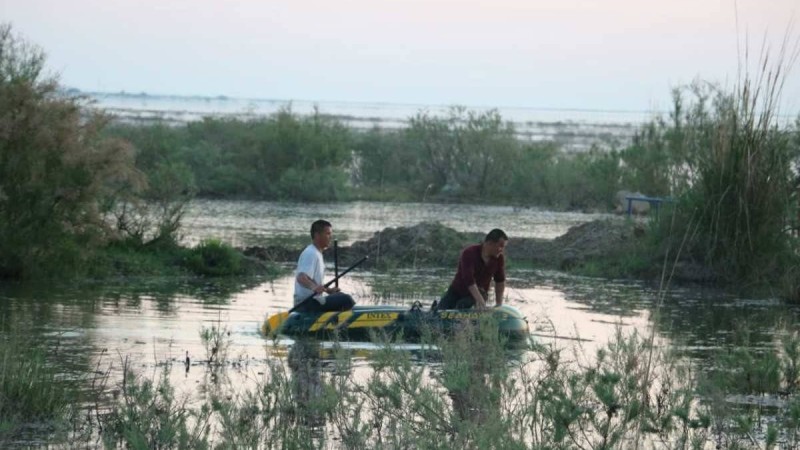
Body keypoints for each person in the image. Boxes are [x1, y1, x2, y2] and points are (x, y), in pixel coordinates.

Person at [293, 219, 355, 313]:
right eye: (328, 234)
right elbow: (301, 277)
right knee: (347, 299)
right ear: (317, 235)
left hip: (313, 301)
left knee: (339, 295)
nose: (330, 237)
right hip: (306, 304)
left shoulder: (317, 253)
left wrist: (328, 290)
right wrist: (314, 288)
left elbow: (312, 281)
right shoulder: (311, 253)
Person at [438, 228, 508, 310]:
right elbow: (469, 280)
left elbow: (500, 281)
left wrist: (498, 305)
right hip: (457, 290)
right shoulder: (469, 253)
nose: (502, 250)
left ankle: (464, 321)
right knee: (439, 312)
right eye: (500, 246)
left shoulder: (499, 259)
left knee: (462, 306)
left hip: (480, 293)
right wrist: (481, 302)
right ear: (490, 243)